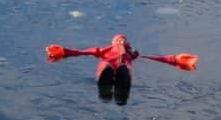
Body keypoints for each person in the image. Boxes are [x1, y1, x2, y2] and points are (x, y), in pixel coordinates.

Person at [46, 34, 198, 105]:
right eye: (119, 39)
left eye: (123, 39)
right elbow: (82, 52)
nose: (121, 40)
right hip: (107, 62)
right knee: (106, 67)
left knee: (124, 68)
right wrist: (64, 51)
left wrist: (176, 59)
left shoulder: (131, 54)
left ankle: (122, 76)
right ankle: (106, 76)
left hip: (124, 65)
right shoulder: (104, 50)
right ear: (113, 41)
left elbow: (155, 58)